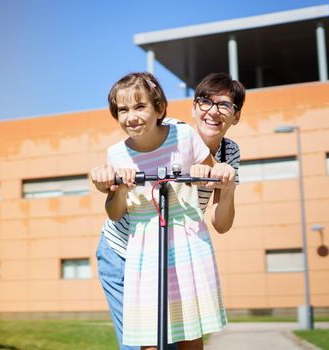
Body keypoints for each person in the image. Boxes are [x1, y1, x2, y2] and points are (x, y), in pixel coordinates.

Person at [92, 72, 245, 350]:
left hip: (179, 246)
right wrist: (111, 185)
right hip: (127, 249)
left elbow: (220, 221)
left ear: (236, 116)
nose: (212, 112)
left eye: (224, 105)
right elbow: (114, 202)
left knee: (185, 331)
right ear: (193, 107)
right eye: (205, 102)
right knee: (144, 340)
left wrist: (222, 179)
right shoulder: (164, 129)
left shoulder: (225, 152)